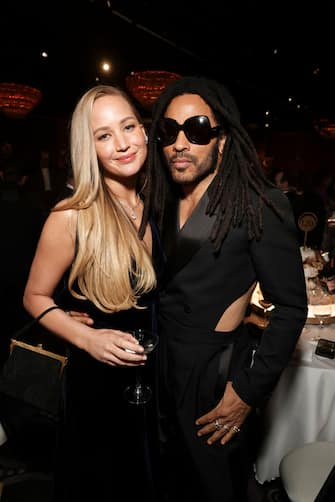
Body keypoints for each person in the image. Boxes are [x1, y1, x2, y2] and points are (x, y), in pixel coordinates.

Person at [145, 76, 308, 501]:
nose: (180, 143)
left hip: (212, 373)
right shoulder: (156, 198)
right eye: (168, 131)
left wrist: (247, 393)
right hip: (155, 363)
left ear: (222, 138)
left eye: (197, 129)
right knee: (164, 480)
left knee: (216, 485)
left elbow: (290, 308)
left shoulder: (259, 204)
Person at [22, 85, 163, 501]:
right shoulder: (72, 215)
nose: (121, 144)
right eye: (104, 135)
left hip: (151, 378)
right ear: (90, 147)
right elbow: (33, 296)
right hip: (98, 385)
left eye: (128, 127)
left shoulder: (157, 205)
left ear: (144, 130)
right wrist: (88, 337)